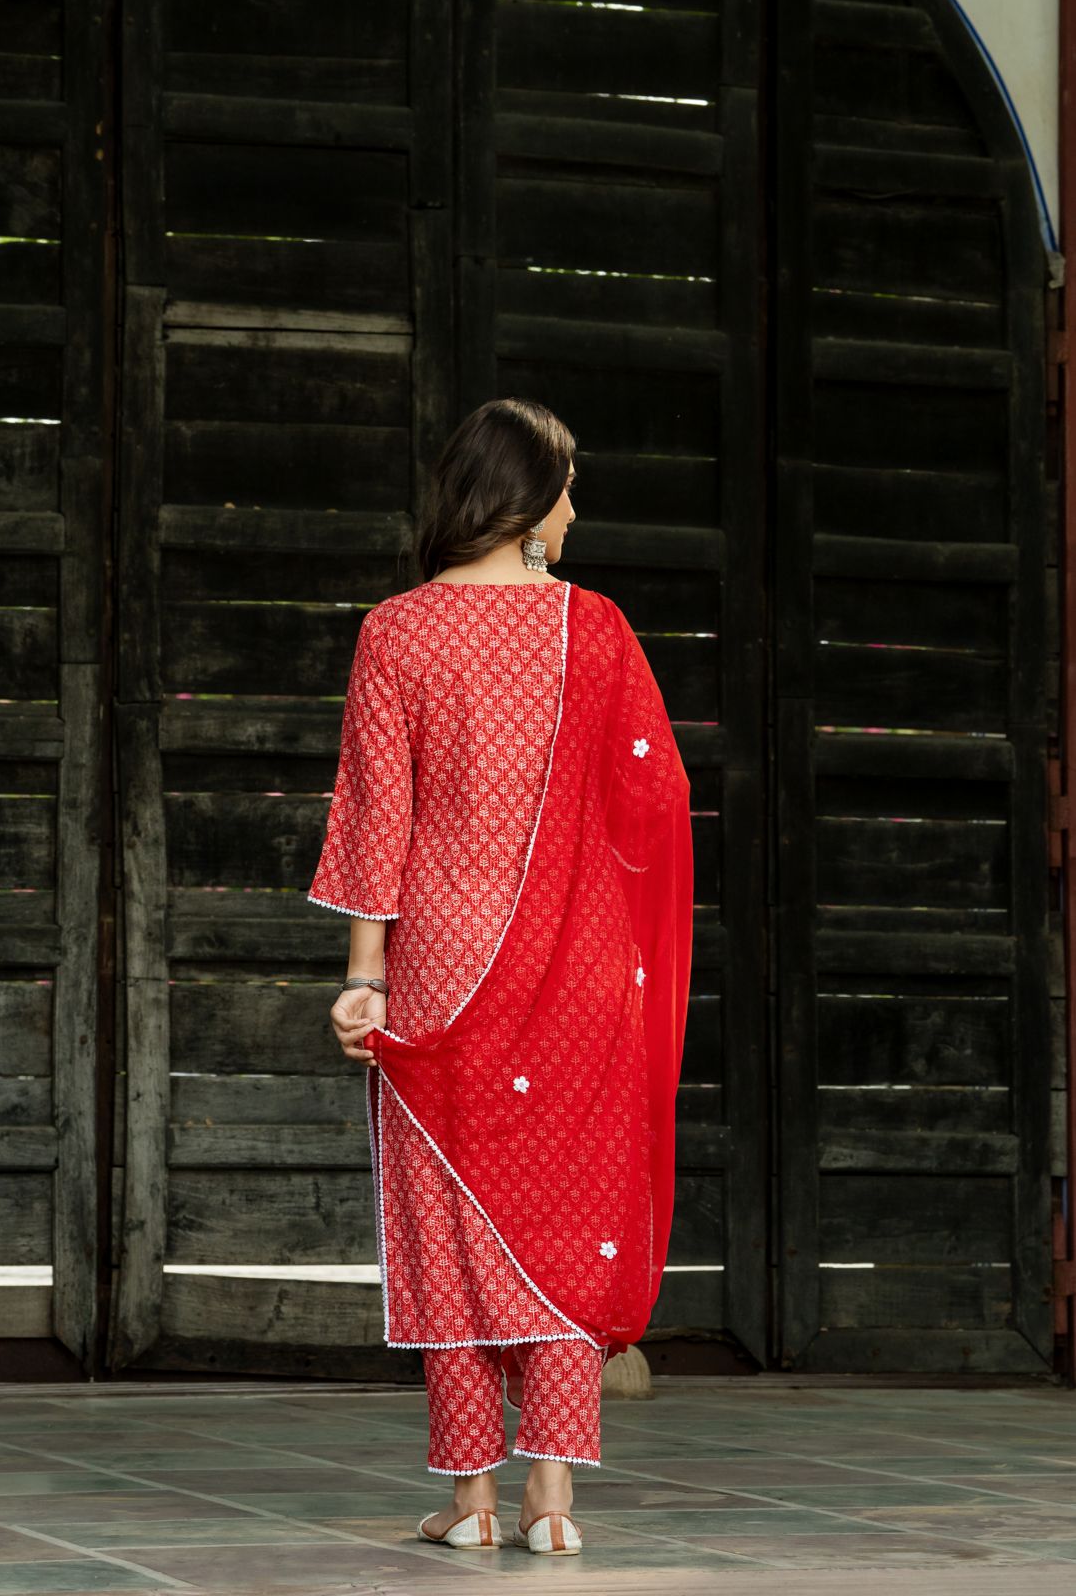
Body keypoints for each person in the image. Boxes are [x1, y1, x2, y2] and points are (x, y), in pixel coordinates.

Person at [307, 397, 694, 1556]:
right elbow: (656, 799)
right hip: (576, 969)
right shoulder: (600, 630)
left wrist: (363, 976)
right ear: (523, 501)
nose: (576, 511)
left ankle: (470, 1502)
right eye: (567, 487)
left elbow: (379, 815)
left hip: (437, 964)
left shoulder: (398, 631)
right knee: (568, 1216)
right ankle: (552, 1501)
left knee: (447, 1227)